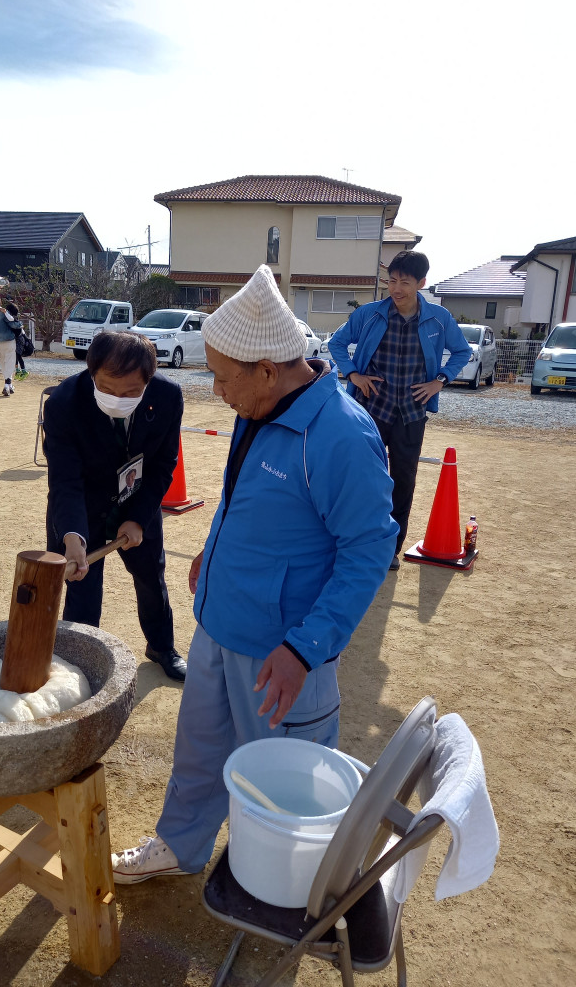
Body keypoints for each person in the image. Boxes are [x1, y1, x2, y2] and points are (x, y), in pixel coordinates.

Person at [111, 264, 397, 883]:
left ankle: (280, 882)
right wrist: (212, 556)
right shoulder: (258, 406)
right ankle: (180, 846)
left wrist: (305, 647)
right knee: (199, 752)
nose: (217, 391)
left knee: (283, 783)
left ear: (267, 369)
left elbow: (369, 550)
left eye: (221, 377)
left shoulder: (341, 436)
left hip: (282, 652)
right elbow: (244, 498)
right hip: (219, 625)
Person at [44, 329, 187, 682]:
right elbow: (65, 478)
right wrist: (72, 536)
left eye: (132, 392)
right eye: (107, 388)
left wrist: (139, 518)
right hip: (82, 507)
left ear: (148, 381)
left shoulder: (168, 396)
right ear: (91, 372)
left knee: (151, 579)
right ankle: (82, 665)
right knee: (82, 588)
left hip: (137, 500)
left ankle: (161, 645)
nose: (118, 398)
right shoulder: (63, 403)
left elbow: (163, 463)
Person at [328, 250, 471, 570]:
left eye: (404, 282)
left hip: (411, 412)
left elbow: (462, 351)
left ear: (421, 283)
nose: (396, 288)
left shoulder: (438, 318)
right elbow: (337, 343)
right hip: (370, 410)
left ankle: (390, 549)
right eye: (391, 281)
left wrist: (440, 380)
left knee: (403, 480)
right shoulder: (368, 314)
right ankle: (353, 542)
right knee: (361, 477)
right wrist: (353, 375)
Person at [0, 293, 21, 395]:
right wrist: (20, 324)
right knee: (10, 363)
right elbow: (13, 324)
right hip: (9, 340)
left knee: (3, 363)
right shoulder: (2, 312)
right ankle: (7, 385)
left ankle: (10, 386)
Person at [7, 302, 28, 378]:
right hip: (17, 339)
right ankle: (17, 371)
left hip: (19, 340)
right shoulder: (15, 318)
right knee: (15, 356)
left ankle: (24, 371)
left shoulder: (13, 319)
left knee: (18, 356)